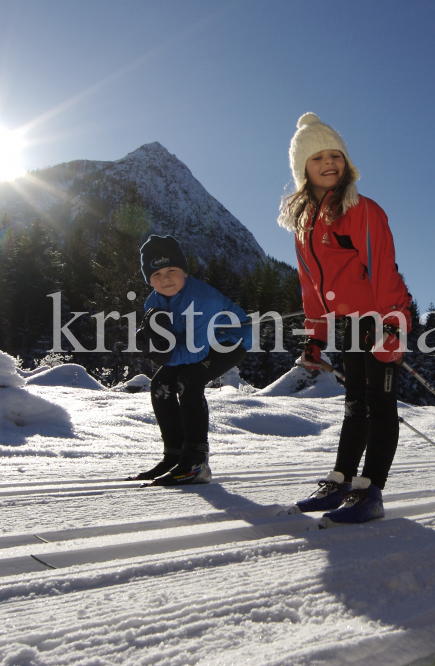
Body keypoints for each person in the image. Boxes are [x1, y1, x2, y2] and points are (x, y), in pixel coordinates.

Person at [278, 112, 412, 526]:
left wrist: (391, 327)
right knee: (355, 403)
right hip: (349, 324)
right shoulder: (303, 225)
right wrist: (315, 338)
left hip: (383, 316)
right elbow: (311, 289)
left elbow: (384, 271)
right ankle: (341, 480)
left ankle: (370, 490)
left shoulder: (361, 210)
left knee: (379, 403)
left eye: (336, 155)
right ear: (304, 168)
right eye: (318, 157)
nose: (329, 163)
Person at [127, 234, 251, 487]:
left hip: (230, 339)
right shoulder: (153, 302)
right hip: (193, 342)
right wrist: (154, 345)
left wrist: (168, 354)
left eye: (172, 269)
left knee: (189, 380)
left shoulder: (203, 300)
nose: (165, 278)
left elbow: (196, 353)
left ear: (184, 271)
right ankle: (174, 457)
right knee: (160, 383)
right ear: (149, 280)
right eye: (156, 274)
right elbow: (172, 342)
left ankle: (196, 462)